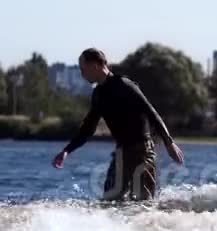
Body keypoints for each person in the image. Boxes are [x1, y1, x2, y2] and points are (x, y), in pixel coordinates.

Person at [52, 48, 185, 201]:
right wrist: (67, 151)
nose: (82, 74)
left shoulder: (124, 85)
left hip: (142, 151)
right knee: (109, 200)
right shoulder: (98, 94)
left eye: (83, 69)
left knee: (144, 201)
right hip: (122, 152)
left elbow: (151, 112)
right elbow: (87, 129)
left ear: (94, 65)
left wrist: (169, 143)